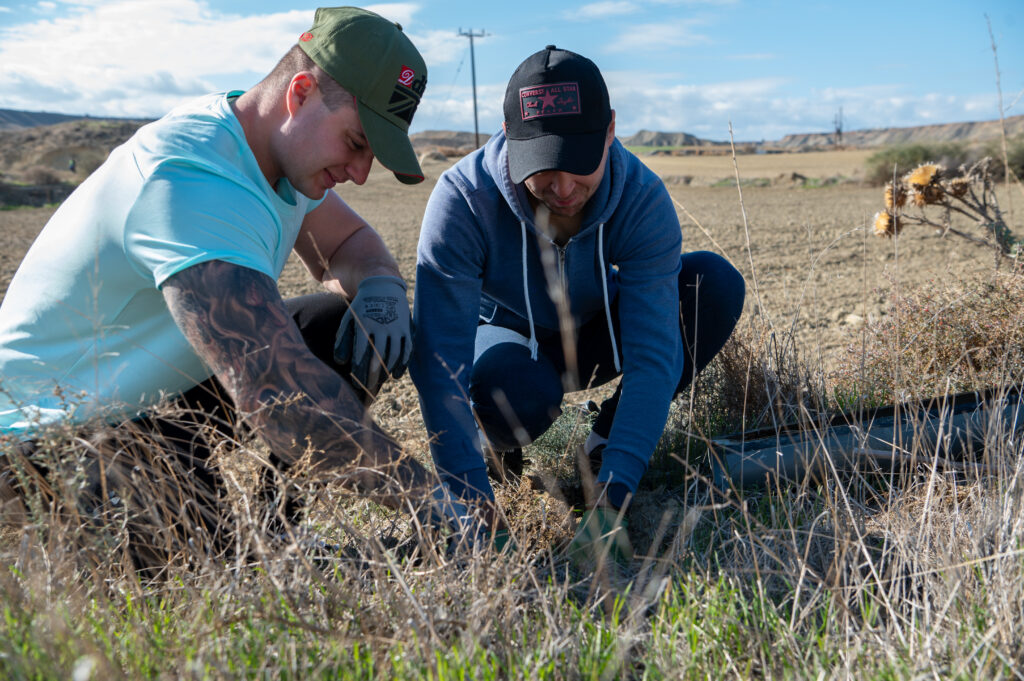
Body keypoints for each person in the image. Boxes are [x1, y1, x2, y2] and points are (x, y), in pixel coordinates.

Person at [0, 7, 460, 566]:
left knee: (338, 326)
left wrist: (383, 287)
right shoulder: (193, 177)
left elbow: (349, 245)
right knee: (196, 564)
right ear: (301, 93)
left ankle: (274, 531)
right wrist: (436, 502)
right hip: (49, 437)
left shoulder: (272, 151)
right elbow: (278, 399)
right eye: (357, 142)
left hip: (146, 401)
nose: (361, 173)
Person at [410, 46, 746, 565]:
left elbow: (654, 357)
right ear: (507, 132)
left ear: (611, 130)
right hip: (506, 345)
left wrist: (612, 499)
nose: (562, 189)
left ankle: (604, 444)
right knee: (517, 393)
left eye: (578, 165)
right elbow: (439, 367)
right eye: (542, 167)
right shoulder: (463, 199)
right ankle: (494, 448)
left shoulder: (641, 198)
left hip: (594, 333)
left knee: (713, 285)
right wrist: (470, 506)